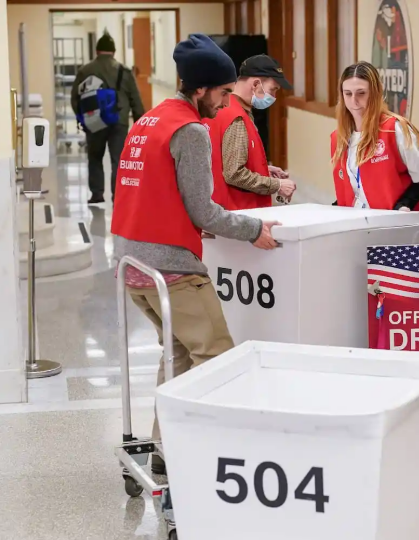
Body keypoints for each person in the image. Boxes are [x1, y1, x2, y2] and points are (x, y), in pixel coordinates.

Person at [111, 33, 280, 475]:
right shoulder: (191, 130)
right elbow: (202, 209)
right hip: (172, 269)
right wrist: (253, 228)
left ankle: (166, 447)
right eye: (224, 92)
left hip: (132, 266)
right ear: (202, 89)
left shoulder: (149, 120)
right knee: (219, 359)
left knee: (179, 355)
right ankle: (212, 460)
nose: (226, 103)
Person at [330, 61, 419, 221]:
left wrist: (405, 204)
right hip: (360, 222)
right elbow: (352, 186)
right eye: (348, 94)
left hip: (394, 222)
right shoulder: (339, 137)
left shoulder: (394, 129)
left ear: (375, 93)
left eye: (361, 93)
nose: (354, 101)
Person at [205, 54, 296, 209]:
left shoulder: (220, 108)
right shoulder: (236, 118)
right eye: (272, 90)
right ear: (255, 84)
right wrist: (277, 185)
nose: (274, 97)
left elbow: (225, 160)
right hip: (237, 211)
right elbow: (234, 174)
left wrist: (262, 169)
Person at [71, 33, 145, 205]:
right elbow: (135, 99)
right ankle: (118, 195)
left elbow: (75, 97)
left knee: (95, 157)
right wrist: (140, 124)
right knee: (118, 159)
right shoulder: (124, 70)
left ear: (97, 50)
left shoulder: (85, 70)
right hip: (118, 121)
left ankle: (97, 194)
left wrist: (82, 118)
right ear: (114, 51)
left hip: (94, 120)